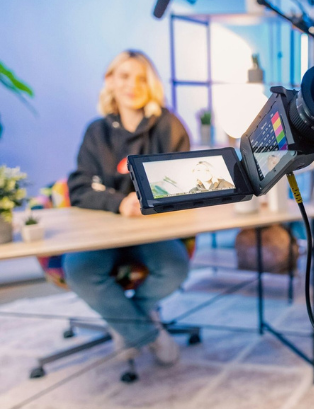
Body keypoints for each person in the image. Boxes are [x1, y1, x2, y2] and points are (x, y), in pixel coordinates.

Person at [64, 50, 191, 366]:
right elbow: (80, 188)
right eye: (124, 76)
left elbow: (183, 181)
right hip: (103, 232)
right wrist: (119, 203)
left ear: (152, 84)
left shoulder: (169, 126)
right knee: (78, 270)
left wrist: (150, 200)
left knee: (175, 268)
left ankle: (126, 320)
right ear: (110, 81)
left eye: (141, 78)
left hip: (154, 232)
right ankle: (146, 331)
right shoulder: (97, 132)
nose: (132, 85)